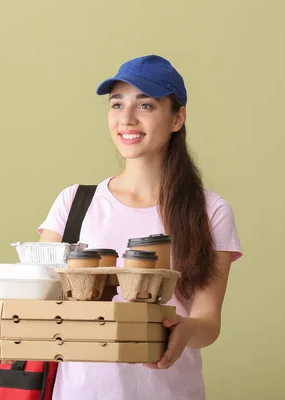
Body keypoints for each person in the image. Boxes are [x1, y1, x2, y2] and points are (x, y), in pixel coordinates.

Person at [37, 55, 243, 400]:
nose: (126, 119)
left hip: (168, 390)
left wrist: (185, 327)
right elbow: (41, 300)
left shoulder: (210, 211)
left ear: (178, 118)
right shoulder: (74, 203)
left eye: (145, 105)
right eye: (117, 104)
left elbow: (208, 324)